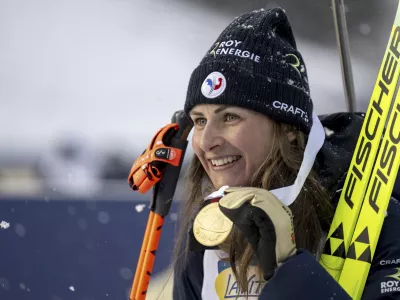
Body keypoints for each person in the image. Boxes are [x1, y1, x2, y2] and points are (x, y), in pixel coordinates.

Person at [170, 7, 400, 299]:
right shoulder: (211, 229)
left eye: (230, 117)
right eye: (200, 120)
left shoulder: (375, 216)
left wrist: (289, 269)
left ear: (288, 127)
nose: (207, 141)